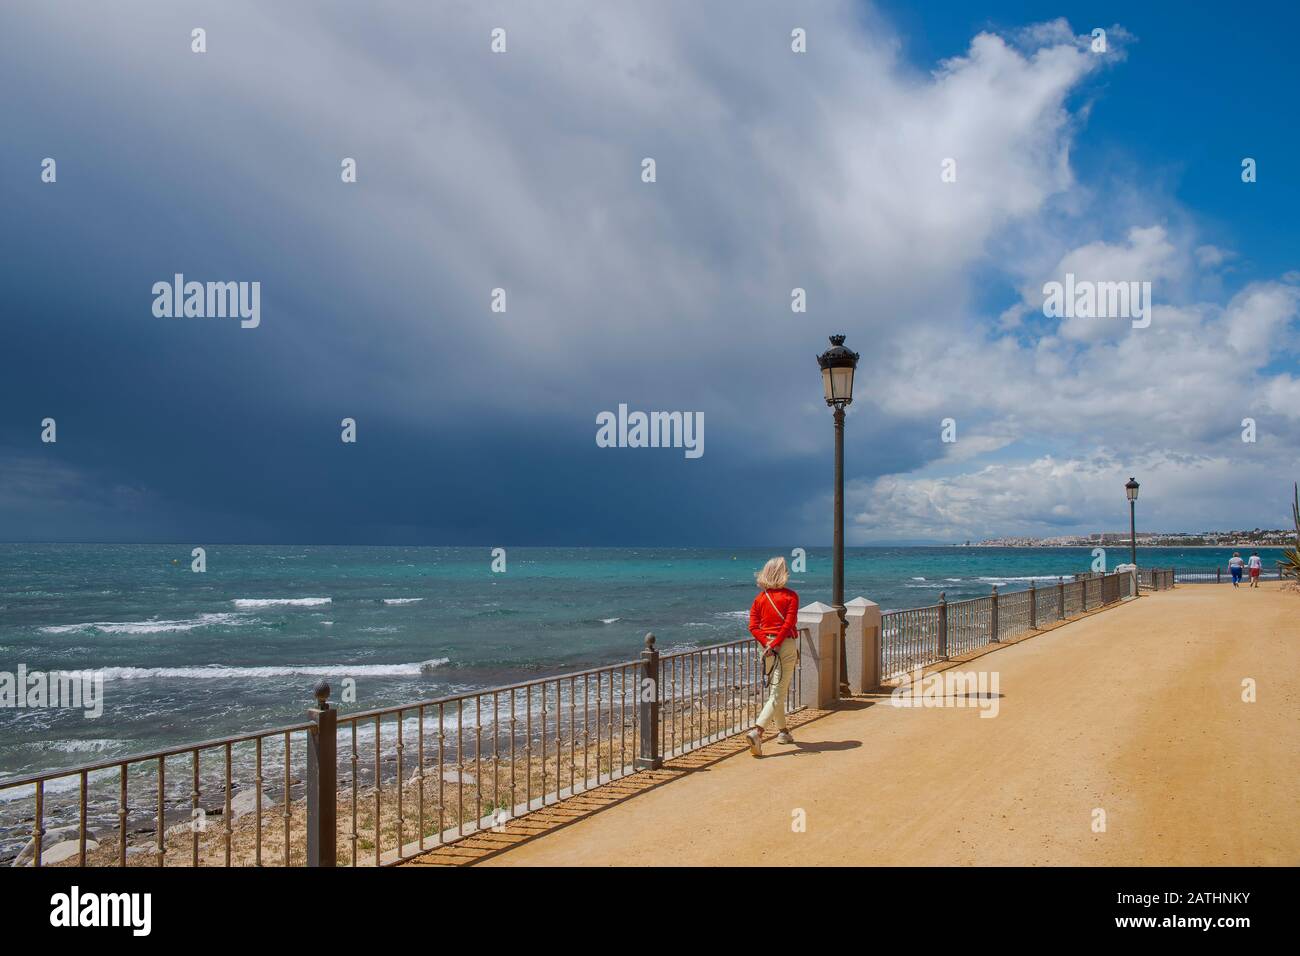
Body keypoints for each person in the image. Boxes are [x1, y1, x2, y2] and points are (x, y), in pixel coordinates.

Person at [744, 556, 800, 757]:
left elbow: (753, 626)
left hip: (765, 647)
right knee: (779, 690)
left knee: (777, 690)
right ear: (783, 574)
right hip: (783, 646)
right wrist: (775, 644)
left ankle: (784, 732)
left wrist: (767, 643)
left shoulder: (759, 599)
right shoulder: (791, 596)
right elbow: (788, 625)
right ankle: (758, 731)